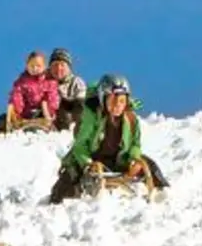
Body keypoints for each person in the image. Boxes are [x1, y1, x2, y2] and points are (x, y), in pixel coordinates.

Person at [47, 74, 171, 203]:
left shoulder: (131, 119)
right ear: (103, 99)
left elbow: (135, 143)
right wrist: (87, 164)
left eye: (122, 101)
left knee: (149, 165)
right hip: (92, 158)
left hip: (118, 160)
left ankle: (162, 193)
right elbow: (80, 145)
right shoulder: (91, 117)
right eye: (112, 100)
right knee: (68, 178)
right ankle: (56, 203)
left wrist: (134, 158)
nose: (117, 105)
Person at [0, 50, 61, 135]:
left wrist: (49, 110)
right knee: (3, 118)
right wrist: (17, 110)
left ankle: (58, 132)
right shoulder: (23, 81)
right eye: (32, 66)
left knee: (48, 104)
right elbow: (17, 94)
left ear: (44, 67)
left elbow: (52, 96)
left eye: (38, 66)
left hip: (43, 114)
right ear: (27, 66)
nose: (35, 68)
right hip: (26, 114)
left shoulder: (49, 81)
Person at [48, 47, 87, 131]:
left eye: (62, 65)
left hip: (69, 119)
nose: (59, 68)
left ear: (69, 68)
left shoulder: (77, 82)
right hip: (48, 118)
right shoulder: (43, 81)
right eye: (55, 65)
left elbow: (81, 103)